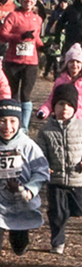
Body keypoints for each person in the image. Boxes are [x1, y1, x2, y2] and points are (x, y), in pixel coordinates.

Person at [35, 84, 82, 254]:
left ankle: (66, 213)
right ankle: (58, 242)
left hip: (78, 178)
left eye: (69, 105)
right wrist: (43, 167)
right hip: (55, 179)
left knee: (79, 209)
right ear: (54, 107)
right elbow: (39, 152)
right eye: (61, 104)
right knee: (56, 213)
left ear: (75, 108)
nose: (65, 109)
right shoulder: (46, 130)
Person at [0, 99, 49, 255]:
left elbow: (42, 170)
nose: (7, 127)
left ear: (19, 122)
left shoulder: (28, 145)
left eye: (12, 121)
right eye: (2, 121)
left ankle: (20, 242)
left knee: (19, 244)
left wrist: (29, 190)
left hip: (22, 201)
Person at [36, 44, 82, 134]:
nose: (75, 65)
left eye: (78, 62)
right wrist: (43, 111)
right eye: (71, 62)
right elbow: (51, 100)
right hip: (63, 118)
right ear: (67, 63)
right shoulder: (60, 81)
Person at [0, 0, 43, 132]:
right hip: (13, 61)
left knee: (26, 94)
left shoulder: (38, 19)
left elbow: (36, 39)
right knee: (12, 93)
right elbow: (3, 34)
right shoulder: (13, 16)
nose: (28, 0)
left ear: (35, 1)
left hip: (31, 62)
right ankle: (12, 123)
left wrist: (44, 46)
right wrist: (19, 37)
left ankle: (24, 126)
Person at [42, 0, 70, 80]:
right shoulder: (56, 13)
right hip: (55, 37)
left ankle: (58, 74)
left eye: (65, 3)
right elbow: (50, 24)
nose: (63, 4)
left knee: (60, 56)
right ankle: (53, 74)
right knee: (53, 56)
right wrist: (48, 33)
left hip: (65, 37)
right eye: (61, 2)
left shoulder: (69, 13)